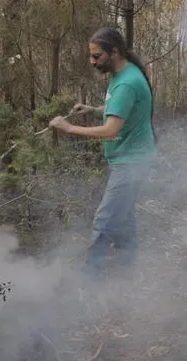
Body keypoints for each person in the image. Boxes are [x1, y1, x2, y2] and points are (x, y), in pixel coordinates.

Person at [48, 27, 157, 276]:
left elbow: (110, 130)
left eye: (97, 56)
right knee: (124, 213)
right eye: (91, 55)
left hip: (131, 162)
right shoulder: (123, 73)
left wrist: (68, 128)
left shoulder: (127, 82)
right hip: (132, 158)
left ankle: (89, 276)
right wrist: (92, 110)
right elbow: (118, 109)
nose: (92, 61)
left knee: (105, 218)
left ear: (114, 51)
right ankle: (129, 264)